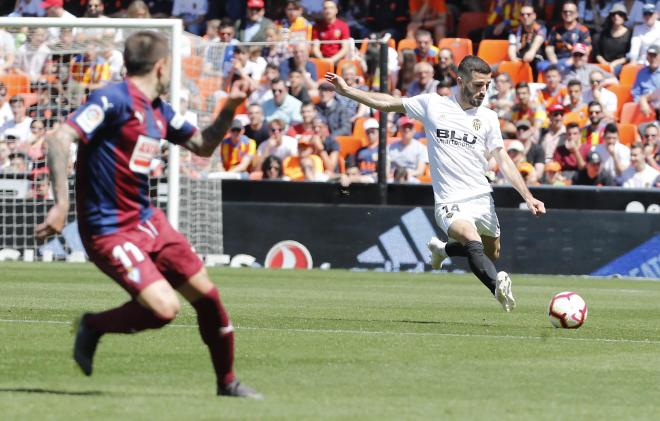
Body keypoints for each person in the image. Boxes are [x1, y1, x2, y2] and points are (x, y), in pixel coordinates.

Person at [34, 31, 261, 399]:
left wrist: (230, 110)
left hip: (148, 221)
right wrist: (61, 204)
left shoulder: (159, 109)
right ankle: (92, 326)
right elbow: (59, 138)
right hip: (110, 230)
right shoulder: (112, 99)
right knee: (164, 310)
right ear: (161, 66)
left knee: (208, 297)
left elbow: (202, 146)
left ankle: (227, 383)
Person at [325, 55, 546, 312]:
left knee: (491, 252)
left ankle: (443, 250)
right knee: (470, 238)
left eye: (487, 85)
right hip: (449, 201)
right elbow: (388, 104)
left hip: (482, 198)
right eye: (477, 85)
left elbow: (503, 160)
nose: (483, 91)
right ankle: (496, 285)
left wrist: (528, 196)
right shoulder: (433, 105)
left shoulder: (488, 118)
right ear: (460, 81)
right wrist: (348, 91)